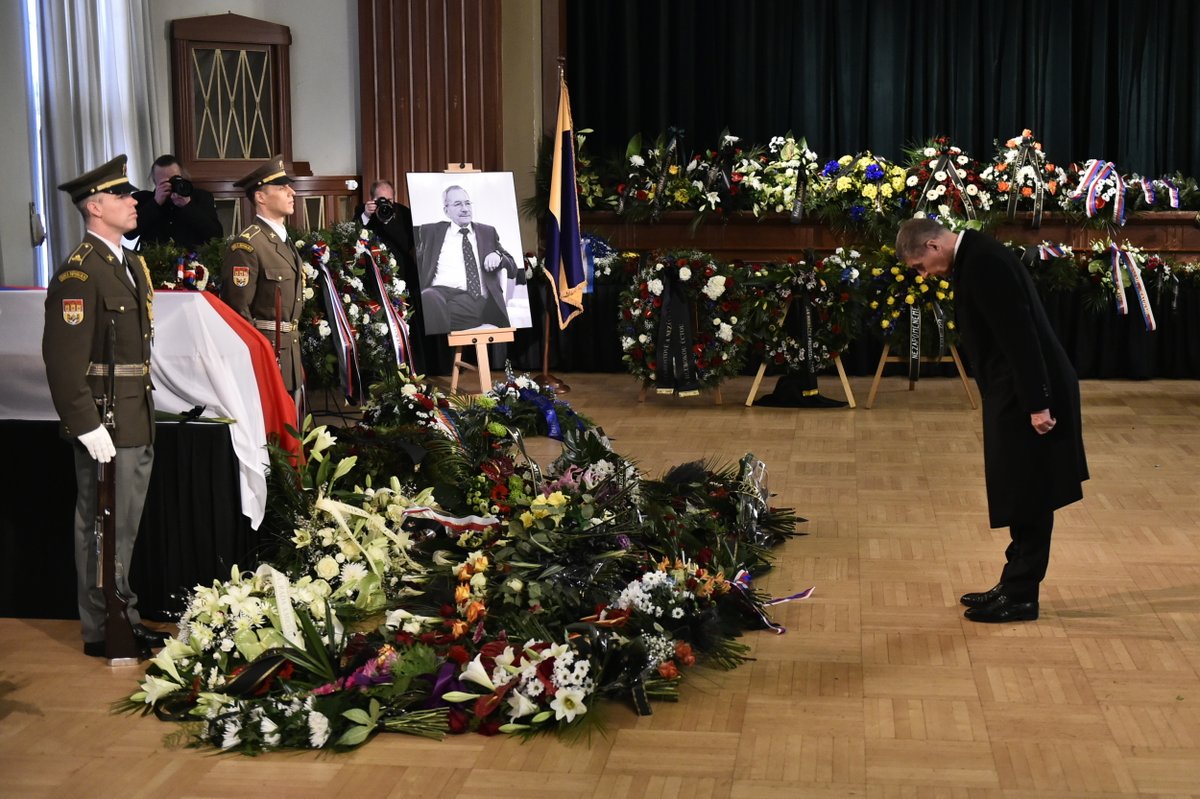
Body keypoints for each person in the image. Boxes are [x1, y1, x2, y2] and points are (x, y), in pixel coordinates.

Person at [895, 218, 1088, 623]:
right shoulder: (977, 256)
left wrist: (1038, 403)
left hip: (1028, 393)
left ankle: (1021, 596)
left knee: (1031, 492)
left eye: (920, 266)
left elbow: (1020, 337)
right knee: (1018, 488)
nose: (923, 275)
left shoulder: (983, 263)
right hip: (1014, 390)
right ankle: (1012, 581)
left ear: (932, 246)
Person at [42, 154, 166, 657]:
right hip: (105, 419)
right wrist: (84, 423)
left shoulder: (129, 264)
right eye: (121, 195)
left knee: (123, 527)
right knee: (100, 527)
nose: (133, 201)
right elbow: (62, 360)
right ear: (95, 207)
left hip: (134, 413)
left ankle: (124, 614)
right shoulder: (80, 272)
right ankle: (102, 627)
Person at [221, 155, 305, 395]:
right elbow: (238, 311)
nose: (292, 193)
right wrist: (257, 355)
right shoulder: (248, 245)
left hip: (288, 352)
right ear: (260, 197)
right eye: (282, 188)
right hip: (266, 353)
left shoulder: (282, 240)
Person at [414, 184, 523, 334]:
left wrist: (498, 256)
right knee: (427, 297)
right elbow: (418, 262)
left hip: (472, 298)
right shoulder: (430, 231)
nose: (465, 209)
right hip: (438, 293)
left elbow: (513, 268)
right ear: (446, 211)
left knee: (427, 314)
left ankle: (437, 346)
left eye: (467, 203)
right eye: (458, 204)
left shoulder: (487, 232)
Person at [130, 154, 223, 251]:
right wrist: (155, 203)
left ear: (183, 177)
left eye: (174, 180)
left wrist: (188, 206)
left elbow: (217, 236)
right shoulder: (143, 199)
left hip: (193, 259)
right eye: (164, 183)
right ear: (155, 182)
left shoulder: (201, 197)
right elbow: (129, 234)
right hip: (152, 259)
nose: (170, 185)